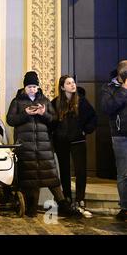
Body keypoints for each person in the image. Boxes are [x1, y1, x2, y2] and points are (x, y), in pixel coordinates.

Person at [6, 71, 77, 218]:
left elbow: (54, 120)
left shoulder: (44, 100)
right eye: (30, 86)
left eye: (34, 86)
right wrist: (26, 113)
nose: (32, 89)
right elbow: (10, 120)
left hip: (44, 146)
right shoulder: (17, 102)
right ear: (24, 87)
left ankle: (63, 204)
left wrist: (43, 113)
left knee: (51, 175)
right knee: (31, 177)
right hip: (26, 147)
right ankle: (31, 208)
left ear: (38, 87)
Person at [51, 75, 97, 218]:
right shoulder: (56, 103)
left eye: (73, 82)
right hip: (61, 142)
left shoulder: (82, 102)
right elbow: (51, 122)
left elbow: (93, 118)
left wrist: (85, 130)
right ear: (62, 87)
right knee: (64, 171)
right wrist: (54, 135)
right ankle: (67, 199)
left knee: (80, 171)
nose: (73, 85)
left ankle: (80, 199)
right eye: (69, 83)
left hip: (78, 141)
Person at [101, 60, 127, 222]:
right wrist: (124, 90)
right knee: (124, 174)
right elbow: (107, 108)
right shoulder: (108, 88)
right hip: (120, 135)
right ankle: (125, 207)